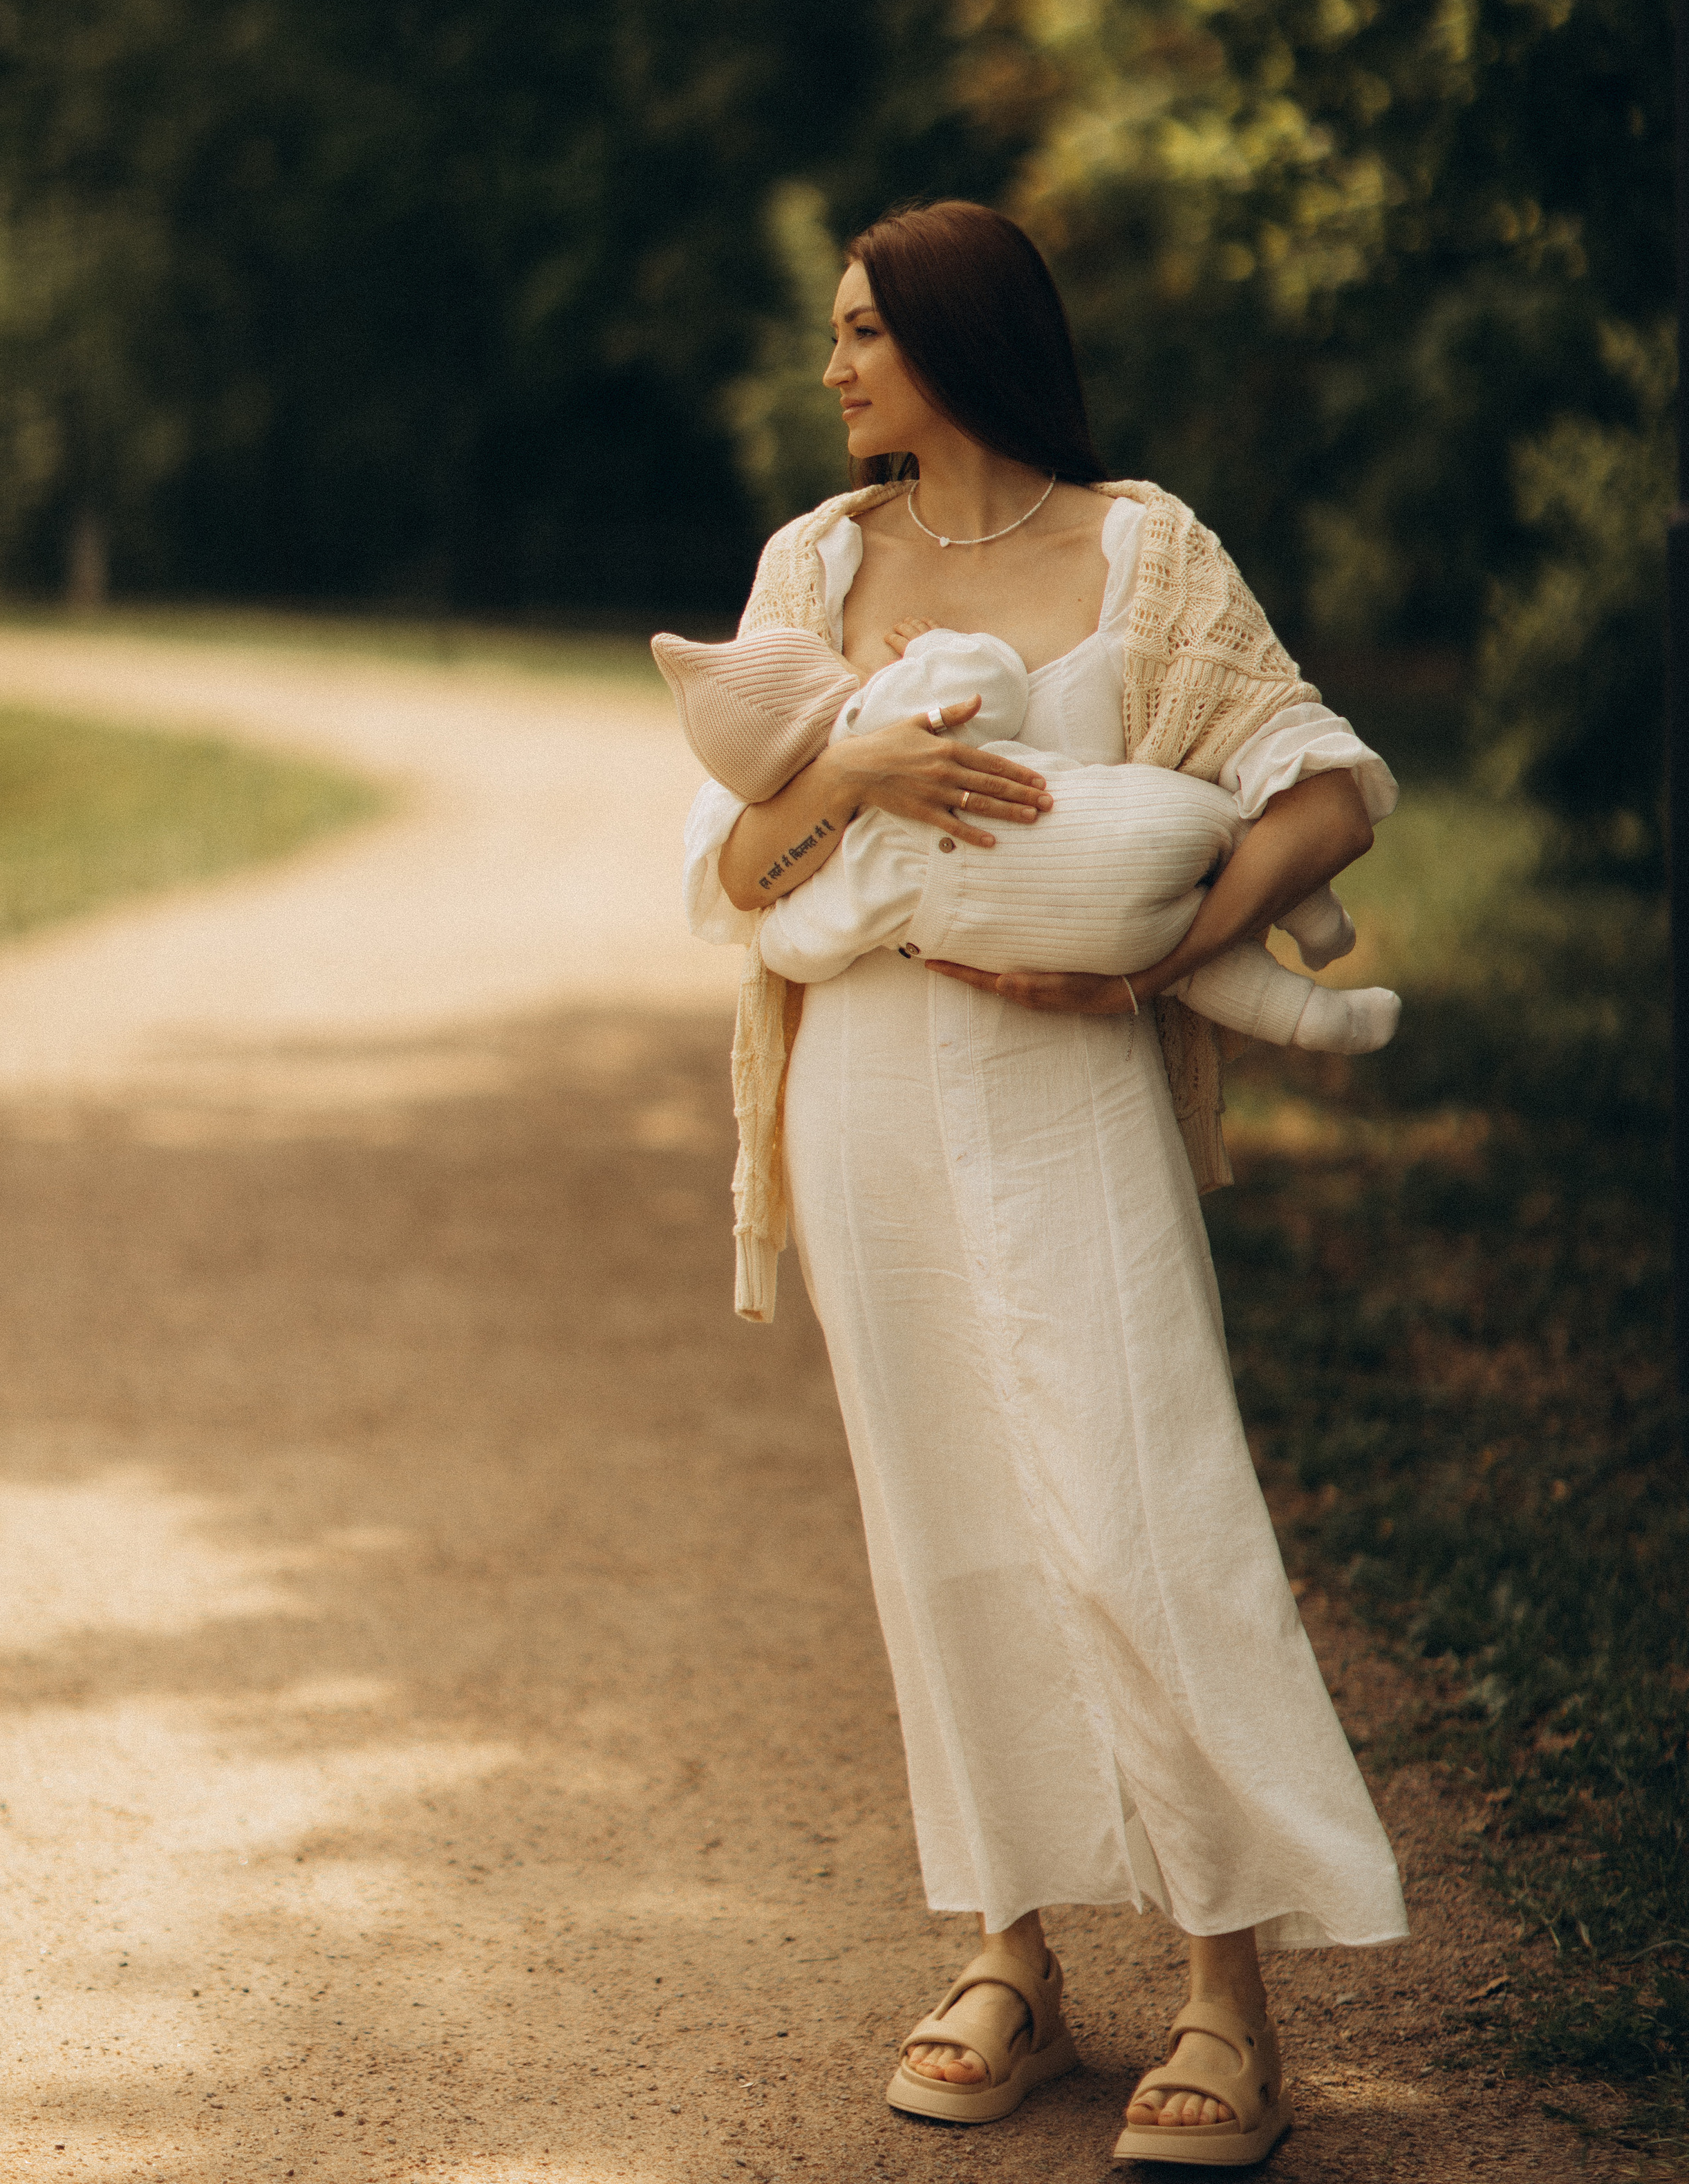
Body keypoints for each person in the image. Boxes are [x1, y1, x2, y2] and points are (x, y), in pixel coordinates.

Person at [680, 200, 1408, 2167]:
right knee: (945, 1527)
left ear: (955, 337)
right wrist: (855, 779)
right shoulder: (812, 563)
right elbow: (737, 881)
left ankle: (1224, 1997)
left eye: (860, 332)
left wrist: (1164, 955)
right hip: (868, 1092)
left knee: (1139, 1509)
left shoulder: (1141, 547)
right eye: (831, 335)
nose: (831, 367)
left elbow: (1326, 786)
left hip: (1071, 1088)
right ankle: (1009, 1955)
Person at [654, 617, 1400, 1055]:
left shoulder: (842, 873)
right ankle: (1317, 918)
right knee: (1231, 834)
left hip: (1086, 943)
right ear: (829, 678)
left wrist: (788, 918)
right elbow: (1000, 681)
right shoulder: (896, 704)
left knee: (1193, 969)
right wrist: (934, 647)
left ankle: (1317, 1020)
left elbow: (793, 946)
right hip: (1131, 820)